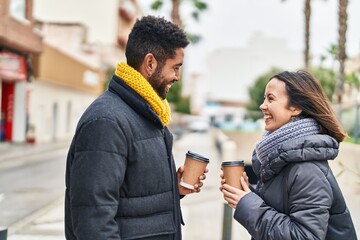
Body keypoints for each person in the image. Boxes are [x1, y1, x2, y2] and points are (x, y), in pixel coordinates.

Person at [65, 15, 207, 240]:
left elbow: (131, 200)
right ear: (150, 63)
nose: (177, 77)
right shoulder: (106, 122)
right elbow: (94, 220)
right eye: (175, 67)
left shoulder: (147, 115)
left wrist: (173, 189)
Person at [220, 70, 357, 240]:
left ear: (296, 108)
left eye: (271, 98)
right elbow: (281, 209)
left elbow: (305, 236)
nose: (262, 106)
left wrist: (248, 204)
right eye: (264, 98)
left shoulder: (307, 168)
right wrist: (247, 195)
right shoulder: (283, 156)